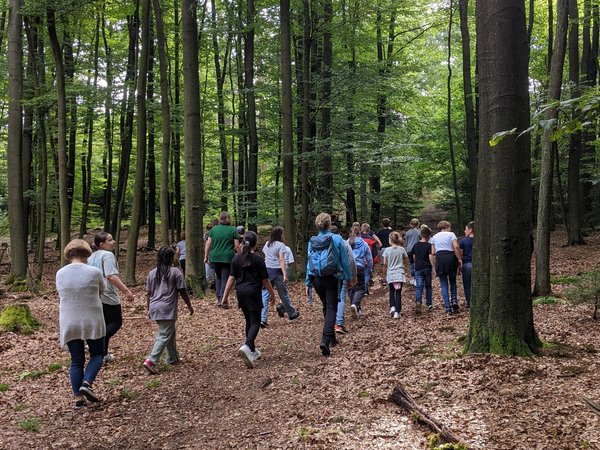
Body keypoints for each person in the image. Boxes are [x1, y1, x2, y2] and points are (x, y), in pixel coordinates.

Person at [56, 239, 106, 408]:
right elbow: (102, 290)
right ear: (86, 253)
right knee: (98, 353)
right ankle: (87, 382)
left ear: (68, 254)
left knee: (76, 360)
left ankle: (78, 399)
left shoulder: (60, 273)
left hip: (69, 320)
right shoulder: (94, 271)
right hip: (92, 318)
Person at [221, 231, 276, 368]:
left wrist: (225, 297)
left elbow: (231, 278)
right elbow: (265, 280)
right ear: (255, 244)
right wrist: (272, 294)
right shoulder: (258, 259)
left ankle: (251, 349)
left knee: (249, 321)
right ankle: (247, 346)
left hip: (241, 293)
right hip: (253, 293)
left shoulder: (236, 259)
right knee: (256, 322)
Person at [306, 213, 353, 356]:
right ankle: (325, 339)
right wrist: (349, 277)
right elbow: (344, 261)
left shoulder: (312, 241)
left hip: (317, 279)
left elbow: (310, 262)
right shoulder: (337, 238)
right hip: (333, 277)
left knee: (326, 306)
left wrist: (308, 282)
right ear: (329, 223)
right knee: (332, 307)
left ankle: (332, 338)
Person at [143, 246, 194, 374]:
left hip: (155, 307)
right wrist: (189, 305)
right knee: (164, 334)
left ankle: (173, 357)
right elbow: (182, 290)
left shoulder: (152, 273)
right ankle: (151, 360)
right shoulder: (175, 272)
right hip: (167, 308)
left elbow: (148, 293)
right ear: (170, 258)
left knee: (170, 331)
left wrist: (149, 308)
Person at [88, 232, 135, 364]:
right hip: (107, 293)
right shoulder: (107, 255)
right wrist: (126, 291)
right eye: (110, 240)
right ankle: (95, 341)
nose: (113, 242)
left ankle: (104, 354)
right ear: (101, 244)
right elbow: (111, 276)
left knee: (105, 324)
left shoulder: (92, 256)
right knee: (116, 322)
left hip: (95, 294)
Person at [261, 227, 300, 326]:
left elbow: (265, 255)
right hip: (277, 271)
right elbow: (281, 260)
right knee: (283, 293)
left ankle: (263, 318)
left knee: (265, 294)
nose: (284, 235)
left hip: (267, 271)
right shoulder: (281, 245)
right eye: (282, 233)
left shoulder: (267, 244)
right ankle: (292, 313)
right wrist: (285, 274)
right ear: (280, 235)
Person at [204, 211, 240, 308]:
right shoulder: (232, 230)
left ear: (220, 218)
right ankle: (223, 299)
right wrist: (240, 255)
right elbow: (236, 245)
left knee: (218, 277)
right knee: (225, 277)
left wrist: (206, 256)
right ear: (228, 218)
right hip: (227, 257)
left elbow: (208, 244)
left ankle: (219, 297)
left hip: (214, 257)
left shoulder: (214, 229)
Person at [430, 221, 463, 317]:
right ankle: (454, 300)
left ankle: (447, 307)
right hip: (450, 257)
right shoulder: (451, 234)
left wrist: (434, 266)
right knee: (453, 281)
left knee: (444, 284)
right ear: (446, 226)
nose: (451, 229)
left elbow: (433, 252)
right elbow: (456, 246)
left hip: (440, 258)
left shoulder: (434, 237)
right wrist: (459, 259)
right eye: (450, 227)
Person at [331, 225, 356, 335]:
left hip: (325, 274)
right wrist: (352, 276)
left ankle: (329, 322)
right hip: (341, 274)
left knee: (329, 298)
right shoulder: (343, 243)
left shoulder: (323, 242)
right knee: (341, 297)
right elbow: (351, 260)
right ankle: (339, 323)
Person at [382, 231, 410, 318]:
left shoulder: (387, 250)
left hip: (390, 273)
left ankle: (392, 307)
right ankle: (397, 312)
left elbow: (384, 263)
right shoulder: (401, 249)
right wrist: (405, 268)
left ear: (390, 240)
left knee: (391, 291)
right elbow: (406, 260)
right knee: (398, 292)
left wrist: (384, 275)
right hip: (399, 273)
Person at [347, 226, 373, 320]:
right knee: (361, 288)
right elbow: (369, 258)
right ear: (360, 234)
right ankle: (355, 304)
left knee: (350, 288)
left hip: (348, 268)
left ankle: (356, 306)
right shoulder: (364, 244)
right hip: (360, 267)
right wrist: (370, 269)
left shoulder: (346, 243)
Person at [413, 226, 435, 312]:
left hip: (418, 268)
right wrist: (433, 267)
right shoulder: (429, 245)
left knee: (419, 286)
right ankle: (429, 304)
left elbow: (414, 256)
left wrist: (417, 262)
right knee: (428, 286)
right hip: (427, 268)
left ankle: (418, 301)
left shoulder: (416, 245)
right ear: (428, 236)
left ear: (420, 235)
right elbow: (430, 256)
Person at [459, 221, 474, 309]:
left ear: (470, 230)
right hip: (478, 265)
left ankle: (469, 302)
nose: (465, 231)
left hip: (467, 264)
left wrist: (460, 264)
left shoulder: (464, 241)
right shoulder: (481, 240)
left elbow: (461, 254)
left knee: (467, 284)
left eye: (466, 229)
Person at [405, 219, 421, 286]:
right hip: (417, 249)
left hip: (409, 250)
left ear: (410, 224)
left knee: (411, 263)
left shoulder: (407, 232)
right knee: (417, 263)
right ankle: (417, 279)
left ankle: (413, 278)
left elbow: (406, 243)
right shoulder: (419, 232)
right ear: (418, 224)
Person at [204, 221, 217, 291]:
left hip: (210, 252)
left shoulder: (207, 234)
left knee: (210, 267)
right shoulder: (214, 233)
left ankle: (213, 282)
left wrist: (205, 254)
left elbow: (206, 244)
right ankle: (214, 282)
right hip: (214, 252)